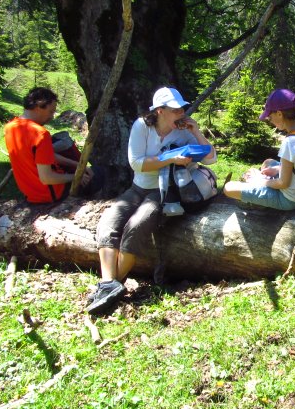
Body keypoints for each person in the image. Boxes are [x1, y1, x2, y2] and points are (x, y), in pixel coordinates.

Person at [88, 87, 216, 314]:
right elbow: (136, 163)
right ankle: (108, 283)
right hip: (138, 187)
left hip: (164, 190)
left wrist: (196, 131)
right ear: (160, 111)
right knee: (109, 222)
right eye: (175, 109)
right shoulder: (142, 126)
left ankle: (111, 286)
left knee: (138, 224)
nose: (181, 112)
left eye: (181, 108)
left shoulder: (184, 130)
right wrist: (169, 159)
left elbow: (211, 158)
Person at [223, 89, 295, 211]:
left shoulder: (290, 142)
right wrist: (277, 169)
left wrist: (260, 181)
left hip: (289, 199)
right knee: (268, 162)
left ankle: (256, 200)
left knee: (228, 188)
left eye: (270, 116)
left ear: (279, 113)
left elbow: (283, 183)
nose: (270, 121)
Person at [4, 87, 96, 203]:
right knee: (101, 174)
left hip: (31, 193)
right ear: (38, 107)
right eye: (51, 111)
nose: (52, 117)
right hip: (52, 194)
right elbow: (47, 178)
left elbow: (43, 158)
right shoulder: (39, 134)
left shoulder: (11, 127)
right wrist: (77, 176)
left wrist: (79, 166)